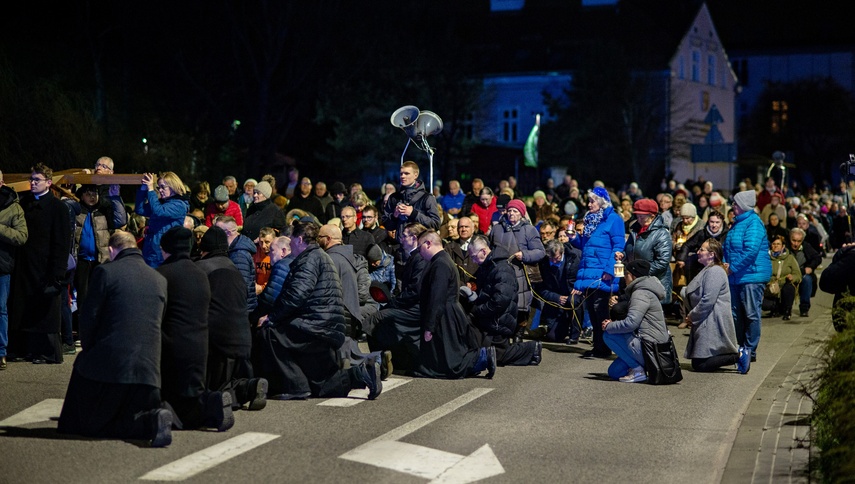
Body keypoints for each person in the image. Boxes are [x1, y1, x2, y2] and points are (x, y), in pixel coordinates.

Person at [57, 230, 173, 447]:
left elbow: (89, 317)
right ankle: (151, 420)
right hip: (149, 371)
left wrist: (89, 348)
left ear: (111, 250)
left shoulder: (106, 272)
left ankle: (148, 422)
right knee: (128, 415)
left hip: (114, 366)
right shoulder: (158, 279)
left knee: (92, 424)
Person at [257, 220, 382, 400]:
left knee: (271, 333)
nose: (290, 243)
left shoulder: (309, 259)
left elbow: (296, 294)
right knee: (323, 384)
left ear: (300, 240)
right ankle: (361, 373)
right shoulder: (320, 256)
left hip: (316, 324)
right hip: (328, 324)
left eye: (292, 239)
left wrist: (272, 317)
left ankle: (296, 386)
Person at [156, 227, 235, 432]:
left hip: (172, 343)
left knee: (173, 393)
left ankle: (199, 408)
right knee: (192, 391)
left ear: (168, 249)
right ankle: (213, 403)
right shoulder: (200, 273)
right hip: (200, 342)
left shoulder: (163, 274)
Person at [196, 226, 268, 412]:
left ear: (204, 249)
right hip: (243, 334)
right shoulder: (234, 268)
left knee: (213, 384)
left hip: (217, 339)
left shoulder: (202, 269)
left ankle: (219, 400)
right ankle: (250, 387)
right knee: (231, 379)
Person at [8, 163, 71, 364]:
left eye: (37, 180)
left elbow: (62, 242)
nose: (32, 183)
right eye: (31, 179)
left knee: (45, 310)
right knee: (23, 306)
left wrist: (57, 271)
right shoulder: (25, 204)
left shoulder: (58, 207)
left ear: (49, 183)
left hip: (46, 267)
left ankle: (46, 351)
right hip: (25, 265)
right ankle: (24, 348)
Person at [413, 230, 496, 379]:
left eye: (420, 248)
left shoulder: (441, 264)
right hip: (446, 312)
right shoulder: (441, 260)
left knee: (452, 363)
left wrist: (429, 326)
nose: (419, 252)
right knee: (446, 358)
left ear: (428, 243)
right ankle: (481, 358)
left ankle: (483, 356)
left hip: (446, 315)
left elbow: (437, 297)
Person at [465, 235, 540, 366]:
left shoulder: (501, 268)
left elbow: (499, 301)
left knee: (496, 355)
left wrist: (478, 310)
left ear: (483, 251)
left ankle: (531, 349)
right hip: (493, 318)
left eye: (474, 256)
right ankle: (530, 350)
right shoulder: (488, 266)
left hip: (499, 320)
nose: (473, 260)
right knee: (489, 351)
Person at [569, 187, 625, 359]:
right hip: (590, 271)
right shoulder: (590, 219)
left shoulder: (614, 219)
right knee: (593, 311)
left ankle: (604, 347)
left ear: (601, 202)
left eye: (592, 201)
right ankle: (598, 346)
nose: (589, 204)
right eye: (589, 201)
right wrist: (574, 239)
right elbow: (587, 247)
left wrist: (610, 269)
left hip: (602, 272)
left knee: (600, 310)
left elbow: (618, 246)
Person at [363, 223, 427, 373]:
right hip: (409, 304)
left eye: (404, 236)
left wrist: (394, 302)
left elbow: (414, 291)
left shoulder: (420, 258)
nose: (401, 239)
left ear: (414, 238)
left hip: (415, 308)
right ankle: (387, 357)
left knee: (374, 319)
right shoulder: (414, 256)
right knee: (380, 317)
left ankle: (379, 363)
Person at [681, 239, 750, 373]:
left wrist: (692, 316)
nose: (698, 252)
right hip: (707, 319)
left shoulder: (715, 272)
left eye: (702, 249)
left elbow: (708, 299)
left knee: (700, 364)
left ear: (711, 254)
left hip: (713, 320)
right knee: (698, 363)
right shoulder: (708, 270)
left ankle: (740, 355)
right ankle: (737, 354)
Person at [601, 260, 670, 383]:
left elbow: (631, 323)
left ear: (633, 275)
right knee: (614, 372)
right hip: (650, 343)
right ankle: (638, 366)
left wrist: (610, 325)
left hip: (651, 347)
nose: (624, 277)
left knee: (608, 334)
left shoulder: (640, 293)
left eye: (626, 273)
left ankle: (638, 370)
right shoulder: (643, 290)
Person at [723, 189, 771, 363]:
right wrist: (724, 264)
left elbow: (750, 251)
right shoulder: (737, 223)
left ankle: (750, 349)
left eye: (735, 203)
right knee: (736, 314)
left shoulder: (754, 224)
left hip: (752, 276)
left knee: (751, 314)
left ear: (743, 206)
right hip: (736, 276)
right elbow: (728, 248)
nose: (733, 206)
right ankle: (740, 347)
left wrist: (732, 267)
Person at [489, 198, 546, 337]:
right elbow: (490, 248)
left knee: (520, 307)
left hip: (521, 273)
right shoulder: (497, 229)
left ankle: (518, 335)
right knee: (503, 305)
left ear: (521, 213)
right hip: (501, 273)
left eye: (515, 211)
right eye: (509, 211)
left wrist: (525, 254)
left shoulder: (529, 230)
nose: (511, 214)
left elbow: (540, 251)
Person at [381, 161, 441, 255]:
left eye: (407, 173)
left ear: (415, 175)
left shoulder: (427, 197)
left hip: (421, 250)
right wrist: (395, 215)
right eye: (401, 173)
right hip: (400, 250)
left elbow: (435, 224)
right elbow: (386, 224)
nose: (403, 176)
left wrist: (414, 213)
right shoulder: (394, 198)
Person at [0, 172, 28, 370]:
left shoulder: (13, 207)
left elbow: (21, 236)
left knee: (0, 310)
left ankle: (1, 352)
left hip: (1, 266)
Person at [623, 198, 673, 305]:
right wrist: (622, 255)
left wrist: (641, 273)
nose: (639, 218)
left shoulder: (662, 233)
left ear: (652, 216)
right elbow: (628, 249)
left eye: (642, 216)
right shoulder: (635, 230)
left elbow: (662, 262)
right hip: (636, 280)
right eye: (637, 215)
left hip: (654, 281)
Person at [135, 171, 190, 268]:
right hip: (151, 250)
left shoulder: (179, 205)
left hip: (164, 253)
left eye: (163, 187)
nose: (160, 190)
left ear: (173, 187)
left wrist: (151, 190)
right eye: (158, 187)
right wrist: (143, 189)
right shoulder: (161, 203)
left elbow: (158, 212)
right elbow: (140, 210)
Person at [534, 239, 584, 344]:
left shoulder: (575, 257)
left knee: (573, 301)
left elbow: (584, 273)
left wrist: (580, 286)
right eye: (551, 259)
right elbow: (540, 289)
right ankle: (562, 327)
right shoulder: (543, 263)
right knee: (553, 337)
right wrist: (556, 297)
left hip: (573, 294)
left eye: (556, 258)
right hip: (556, 302)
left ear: (562, 252)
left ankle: (575, 334)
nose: (554, 261)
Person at [215, 216, 258, 315]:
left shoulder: (239, 254)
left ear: (229, 232)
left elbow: (240, 286)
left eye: (218, 231)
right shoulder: (235, 249)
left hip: (241, 310)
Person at [762, 236, 801, 320]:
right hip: (770, 287)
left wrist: (792, 277)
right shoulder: (766, 258)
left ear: (783, 246)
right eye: (774, 244)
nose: (776, 246)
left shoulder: (789, 258)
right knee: (765, 305)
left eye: (778, 244)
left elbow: (798, 274)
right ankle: (775, 308)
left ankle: (787, 310)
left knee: (789, 288)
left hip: (784, 285)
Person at [789, 227, 821, 317]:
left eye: (799, 241)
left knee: (807, 280)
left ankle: (804, 308)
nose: (796, 244)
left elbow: (817, 258)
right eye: (793, 240)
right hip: (788, 273)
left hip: (802, 273)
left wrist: (810, 267)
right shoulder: (786, 248)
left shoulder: (806, 247)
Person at [444, 216, 479, 287]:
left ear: (473, 229)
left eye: (466, 227)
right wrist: (462, 285)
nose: (463, 229)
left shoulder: (481, 245)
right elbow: (447, 270)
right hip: (456, 288)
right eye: (461, 227)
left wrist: (474, 285)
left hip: (478, 288)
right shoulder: (449, 247)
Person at [253, 227, 276, 295]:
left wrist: (262, 288)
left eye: (267, 242)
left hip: (269, 291)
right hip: (255, 289)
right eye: (261, 242)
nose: (263, 246)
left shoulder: (276, 255)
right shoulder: (255, 252)